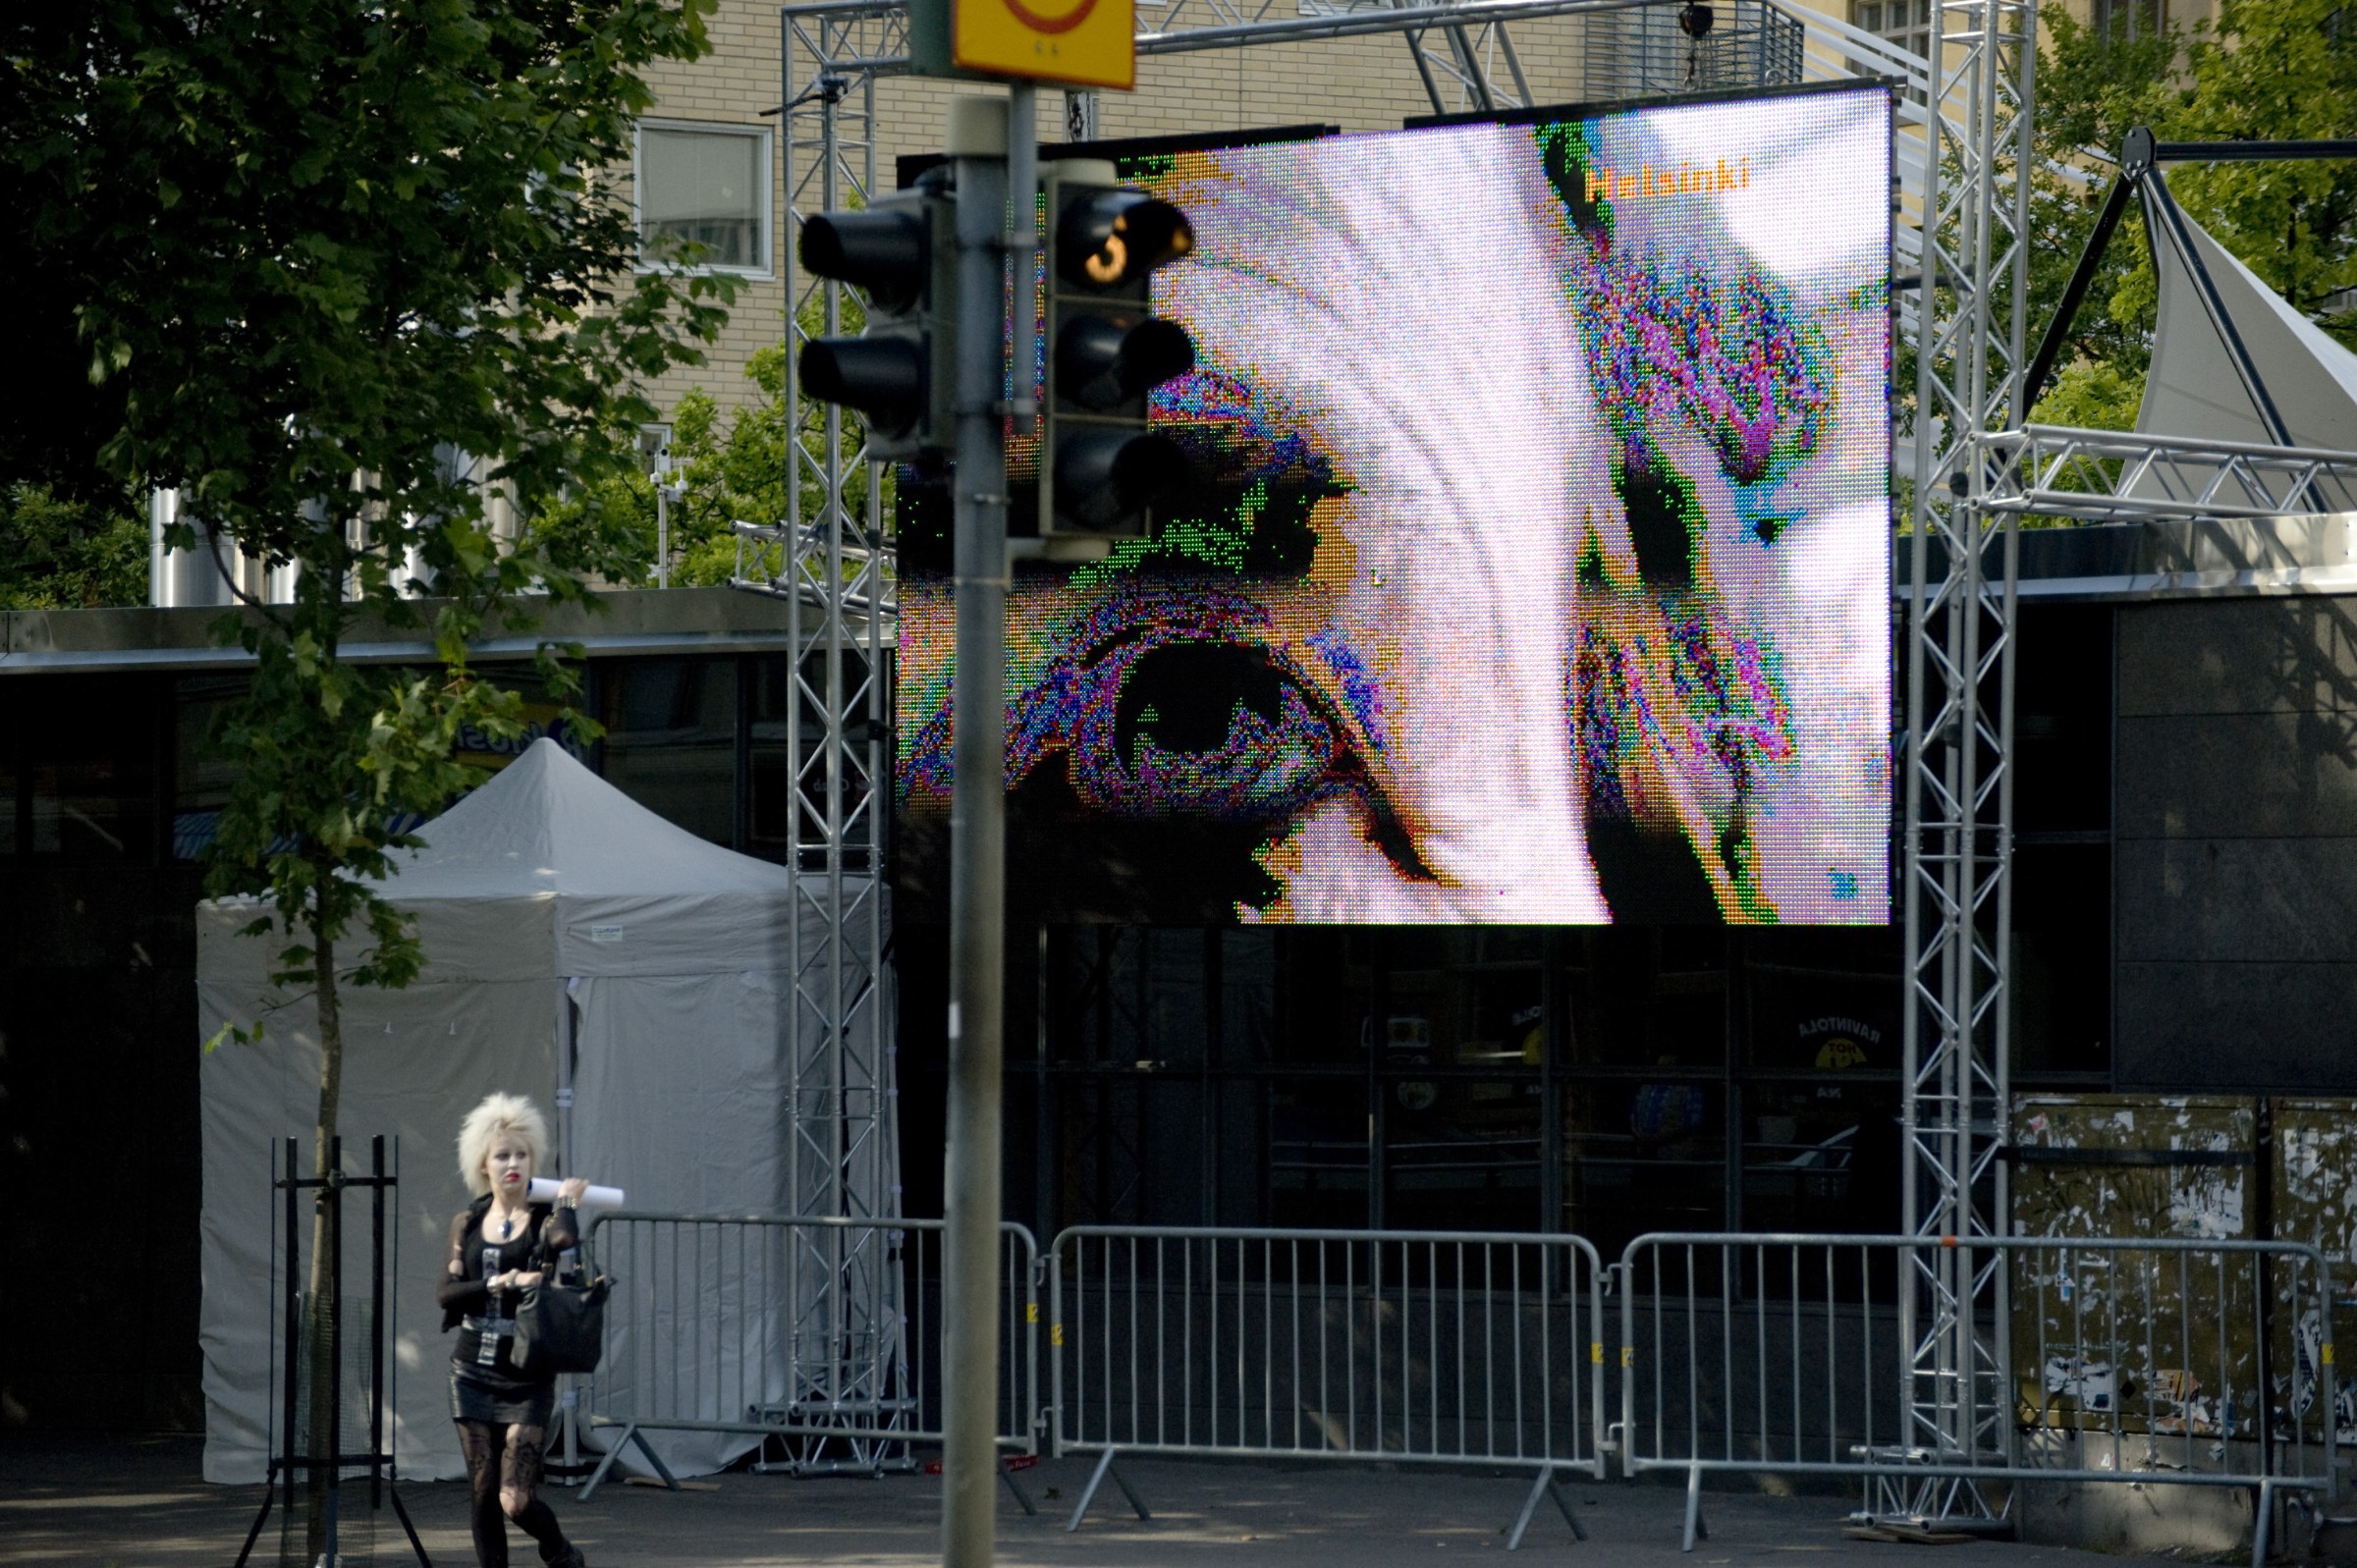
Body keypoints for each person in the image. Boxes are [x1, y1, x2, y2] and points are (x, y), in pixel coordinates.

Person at [438, 1093, 589, 1568]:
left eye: (521, 1155)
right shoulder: (467, 1222)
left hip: (527, 1372)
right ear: (483, 1162)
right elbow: (447, 1293)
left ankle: (560, 1551)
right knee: (482, 1490)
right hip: (471, 1370)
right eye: (502, 1154)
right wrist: (500, 1281)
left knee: (515, 1500)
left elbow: (565, 1238)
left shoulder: (544, 1221)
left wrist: (564, 1200)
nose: (512, 1164)